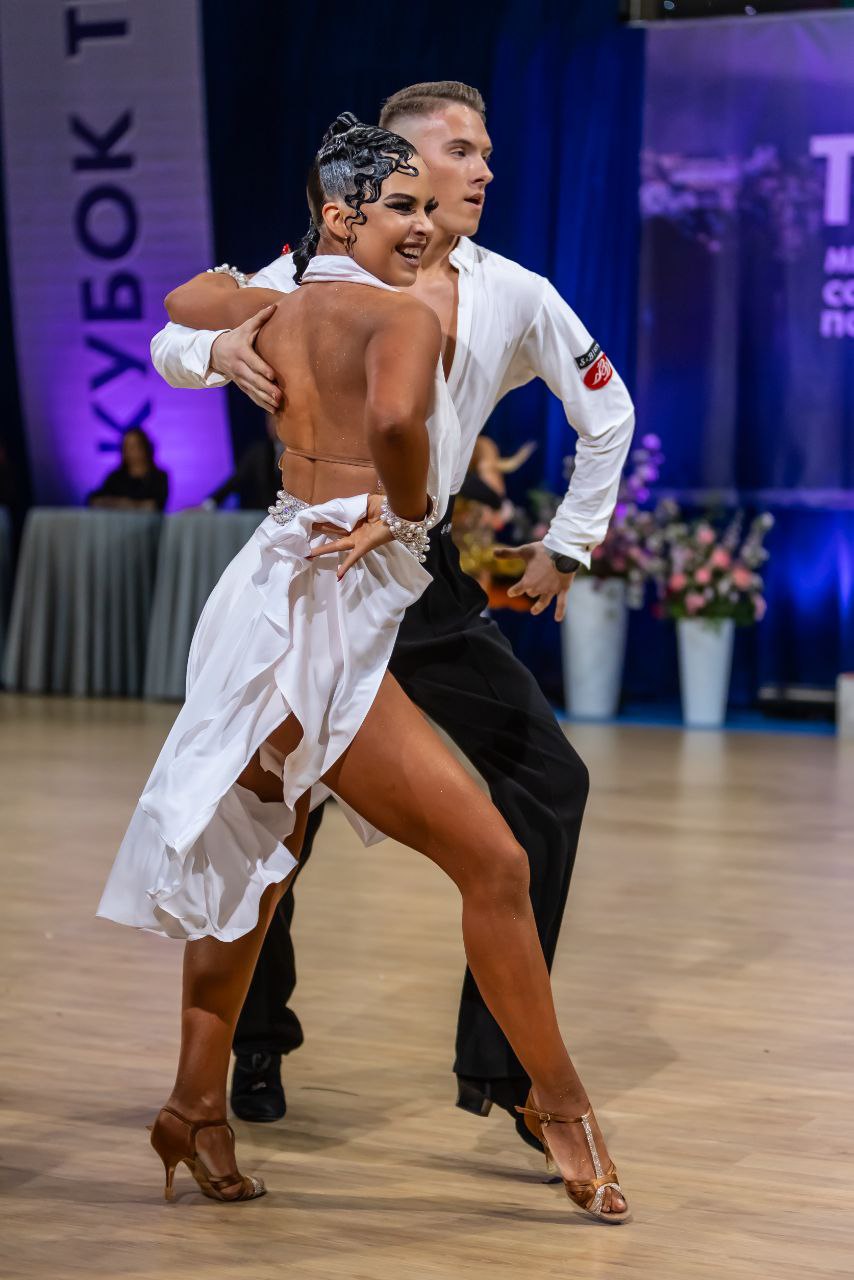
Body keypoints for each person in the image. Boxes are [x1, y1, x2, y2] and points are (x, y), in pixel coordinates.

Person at [99, 113, 630, 1223]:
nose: (427, 219)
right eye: (408, 201)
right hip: (343, 592)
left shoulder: (296, 291)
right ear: (346, 211)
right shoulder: (392, 308)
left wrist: (231, 326)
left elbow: (184, 299)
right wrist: (410, 501)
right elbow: (390, 416)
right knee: (484, 861)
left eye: (430, 205)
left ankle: (194, 1108)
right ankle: (561, 1102)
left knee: (260, 849)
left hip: (280, 587)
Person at [201, 415, 282, 511]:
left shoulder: (297, 453)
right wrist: (209, 504)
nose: (272, 426)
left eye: (276, 422)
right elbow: (236, 480)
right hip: (264, 514)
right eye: (269, 422)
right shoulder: (258, 452)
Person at [87, 427, 169, 511]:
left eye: (133, 446)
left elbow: (155, 506)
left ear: (145, 448)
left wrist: (123, 504)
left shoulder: (159, 477)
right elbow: (95, 500)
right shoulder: (116, 477)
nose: (129, 451)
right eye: (125, 447)